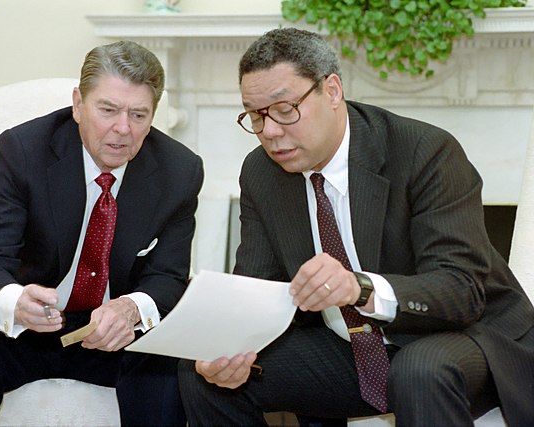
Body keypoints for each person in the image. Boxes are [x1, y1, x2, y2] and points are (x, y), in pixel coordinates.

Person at [178, 27, 534, 427]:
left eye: (284, 110)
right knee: (202, 374)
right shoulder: (262, 172)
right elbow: (260, 286)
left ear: (331, 91)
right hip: (350, 347)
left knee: (418, 371)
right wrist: (226, 345)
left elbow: (461, 290)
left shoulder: (424, 151)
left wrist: (359, 287)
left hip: (465, 336)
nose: (271, 132)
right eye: (255, 116)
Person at [0, 40, 204, 426]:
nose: (122, 129)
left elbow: (169, 275)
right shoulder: (22, 150)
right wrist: (14, 301)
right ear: (78, 104)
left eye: (139, 115)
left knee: (165, 356)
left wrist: (130, 309)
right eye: (108, 109)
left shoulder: (180, 170)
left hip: (113, 334)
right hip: (25, 326)